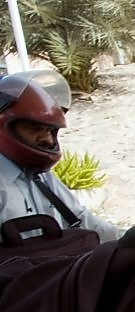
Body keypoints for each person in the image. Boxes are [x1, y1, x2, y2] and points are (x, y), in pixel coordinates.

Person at [0, 73, 119, 241]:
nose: (47, 139)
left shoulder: (40, 176)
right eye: (33, 129)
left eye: (49, 130)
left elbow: (80, 218)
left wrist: (131, 239)